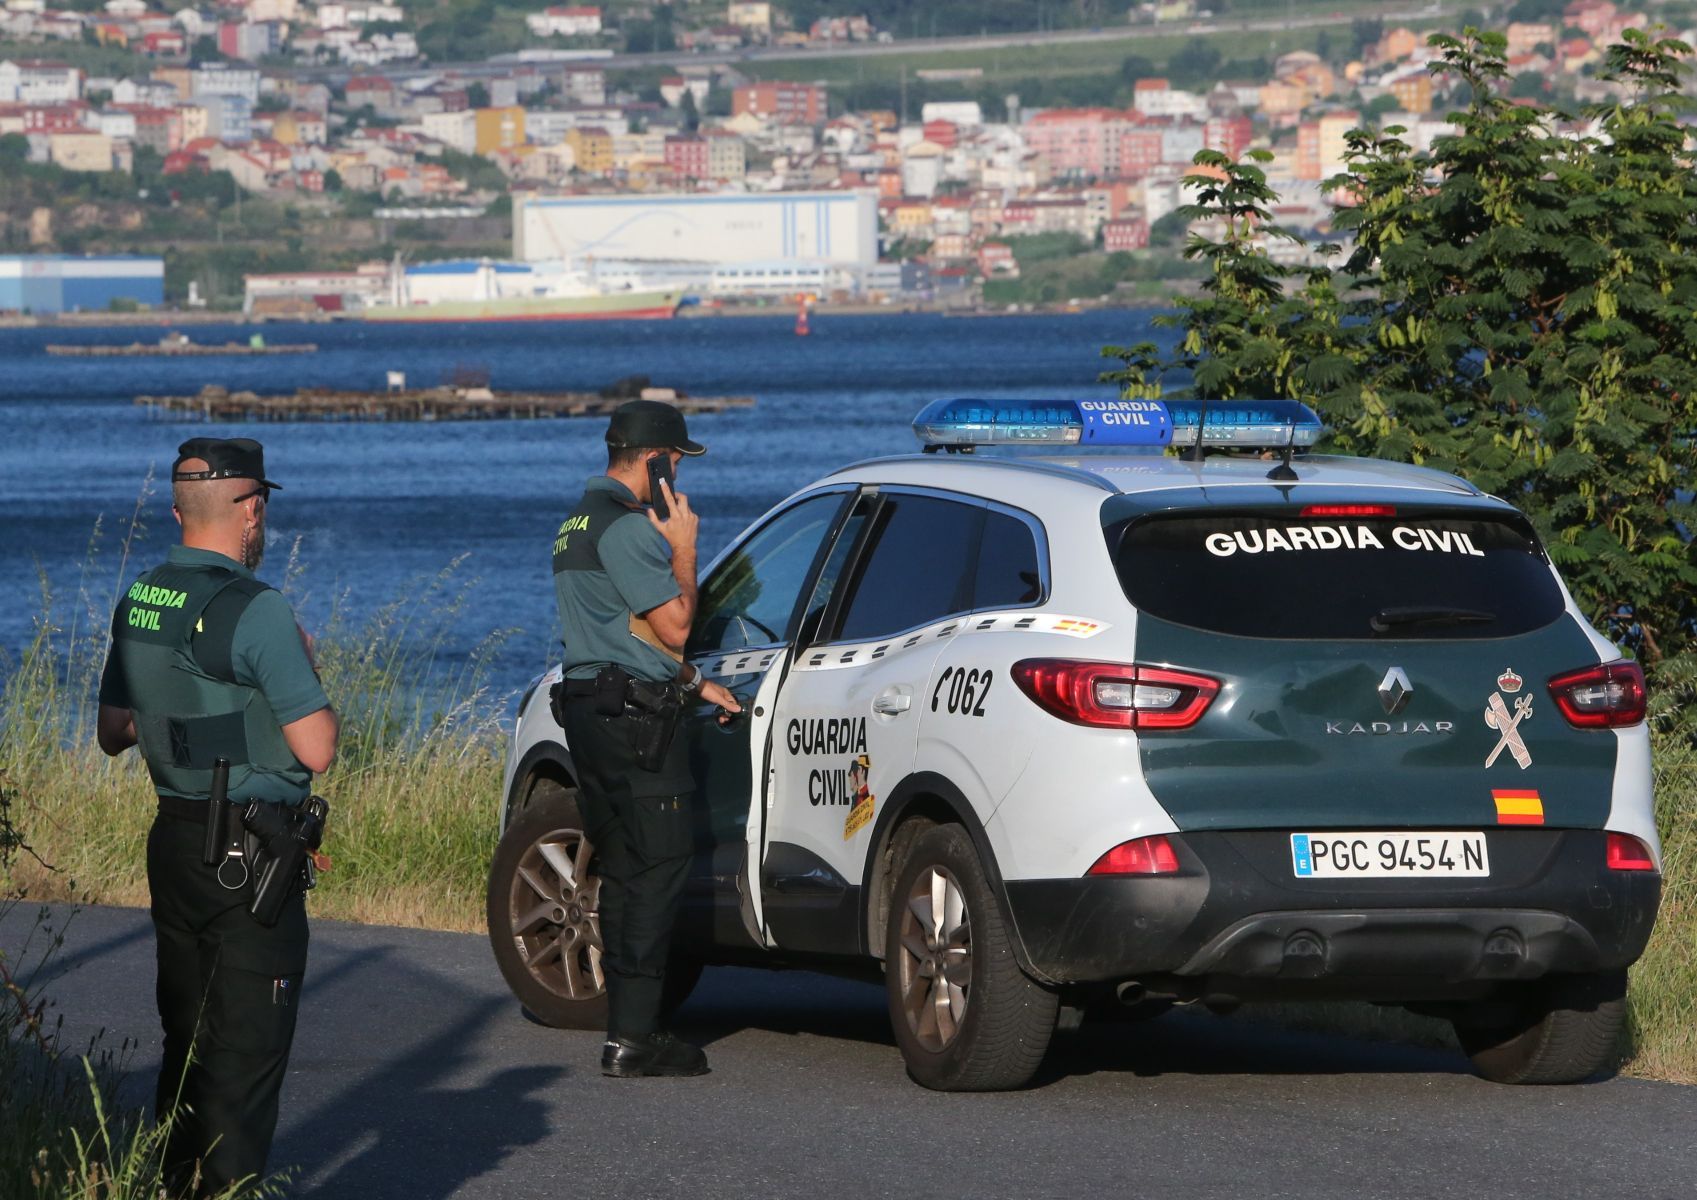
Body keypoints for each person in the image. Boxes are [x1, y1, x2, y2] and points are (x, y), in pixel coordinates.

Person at [96, 437, 338, 1196]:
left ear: (178, 512)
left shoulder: (140, 596)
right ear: (252, 509)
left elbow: (114, 732)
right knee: (245, 1054)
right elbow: (318, 747)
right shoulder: (256, 610)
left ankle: (173, 1186)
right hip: (247, 856)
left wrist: (189, 720)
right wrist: (304, 665)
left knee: (189, 1042)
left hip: (174, 840)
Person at [551, 399, 740, 1078]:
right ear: (655, 460)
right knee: (657, 868)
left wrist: (692, 685)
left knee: (626, 866)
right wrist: (683, 549)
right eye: (677, 461)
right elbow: (674, 626)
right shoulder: (628, 531)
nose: (681, 477)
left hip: (589, 710)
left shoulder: (575, 522)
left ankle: (623, 1030)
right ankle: (636, 1037)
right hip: (632, 721)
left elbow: (618, 632)